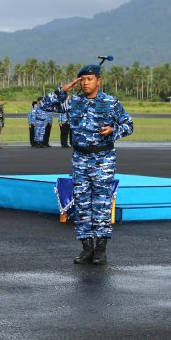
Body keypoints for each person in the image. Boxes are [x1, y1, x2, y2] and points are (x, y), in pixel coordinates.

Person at [37, 55, 133, 264]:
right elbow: (43, 106)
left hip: (103, 158)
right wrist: (64, 89)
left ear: (99, 80)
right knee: (81, 204)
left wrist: (113, 130)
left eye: (90, 78)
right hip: (80, 158)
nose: (86, 82)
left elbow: (129, 125)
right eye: (82, 79)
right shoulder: (73, 102)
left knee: (101, 203)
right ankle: (86, 247)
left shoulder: (110, 102)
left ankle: (100, 249)